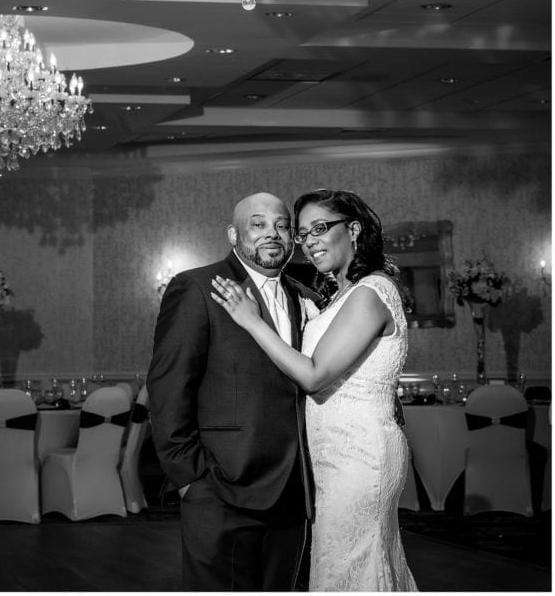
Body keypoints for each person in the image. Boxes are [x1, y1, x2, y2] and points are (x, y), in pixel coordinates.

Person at [211, 188, 418, 592]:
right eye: (303, 234)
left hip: (360, 457)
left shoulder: (371, 292)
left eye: (320, 228)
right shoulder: (337, 296)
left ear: (354, 229)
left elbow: (314, 376)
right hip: (334, 457)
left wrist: (252, 321)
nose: (309, 242)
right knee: (340, 565)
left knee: (352, 567)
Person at [147, 191, 319, 591]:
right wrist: (191, 478)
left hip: (296, 493)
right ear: (233, 233)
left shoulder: (306, 296)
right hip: (221, 488)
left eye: (281, 225)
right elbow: (169, 386)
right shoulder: (197, 288)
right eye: (257, 225)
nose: (271, 234)